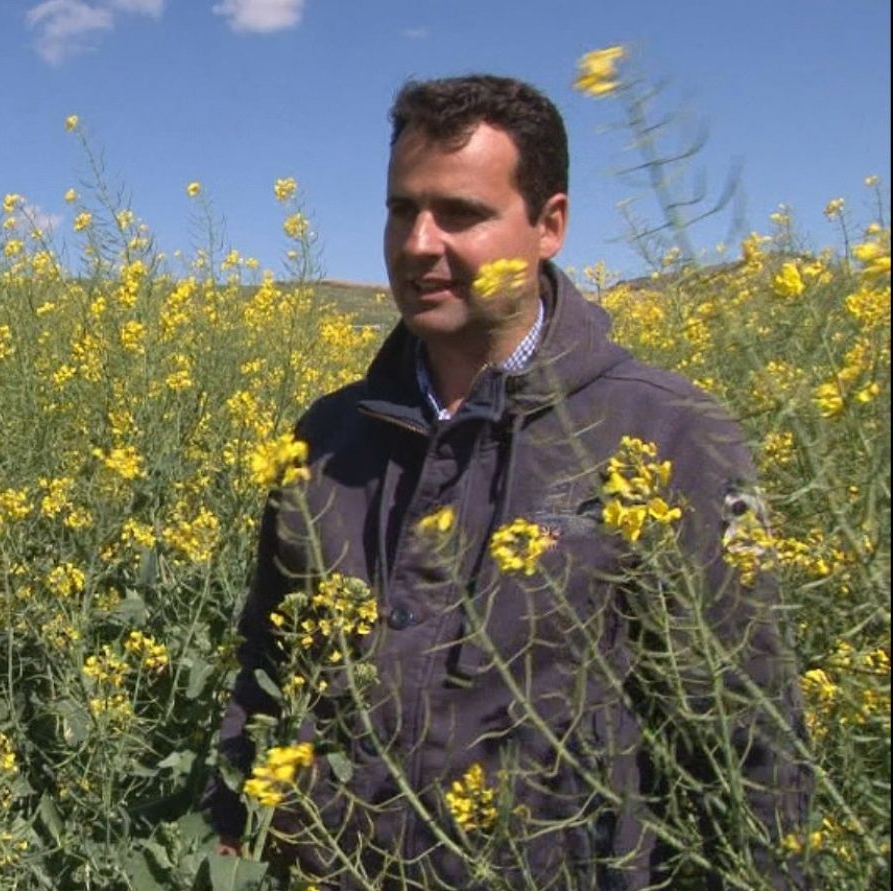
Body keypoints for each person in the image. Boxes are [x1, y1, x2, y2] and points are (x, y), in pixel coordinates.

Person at [204, 75, 810, 888]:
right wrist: (233, 833)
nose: (419, 243)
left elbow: (750, 739)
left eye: (460, 213)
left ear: (548, 225)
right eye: (400, 209)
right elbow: (264, 668)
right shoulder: (327, 437)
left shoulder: (671, 432)